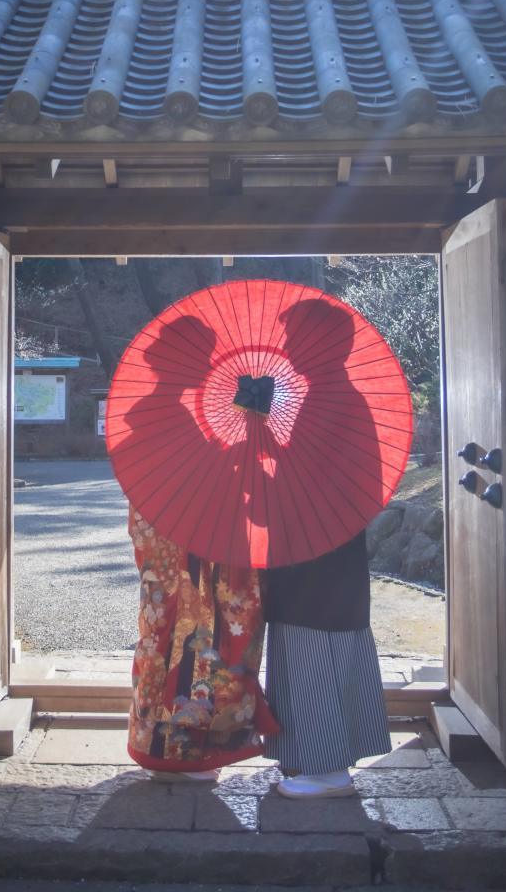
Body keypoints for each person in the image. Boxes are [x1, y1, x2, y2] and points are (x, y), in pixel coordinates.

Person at [113, 316, 278, 778]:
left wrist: (248, 430)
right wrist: (247, 433)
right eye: (200, 359)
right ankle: (182, 749)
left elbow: (205, 472)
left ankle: (170, 744)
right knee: (190, 639)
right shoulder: (160, 411)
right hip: (181, 548)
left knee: (179, 640)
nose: (205, 367)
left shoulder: (161, 408)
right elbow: (197, 478)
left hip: (181, 544)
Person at [263, 299, 392, 799]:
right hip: (327, 541)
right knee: (317, 645)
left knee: (311, 646)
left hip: (316, 546)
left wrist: (267, 453)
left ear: (321, 345)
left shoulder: (327, 398)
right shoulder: (331, 395)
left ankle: (327, 769)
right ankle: (313, 760)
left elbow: (300, 478)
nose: (290, 350)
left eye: (295, 340)